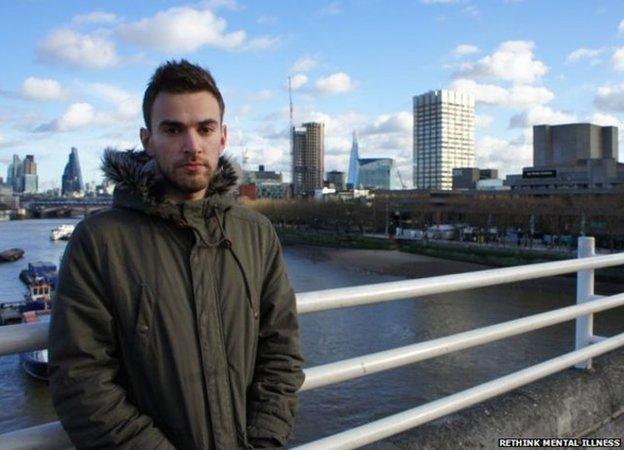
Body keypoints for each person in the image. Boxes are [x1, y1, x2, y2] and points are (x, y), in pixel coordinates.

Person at [49, 59, 305, 449]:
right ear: (147, 139)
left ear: (223, 137)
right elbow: (81, 379)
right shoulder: (99, 241)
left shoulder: (255, 233)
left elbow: (281, 350)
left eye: (205, 129)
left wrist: (265, 440)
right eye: (173, 129)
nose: (192, 146)